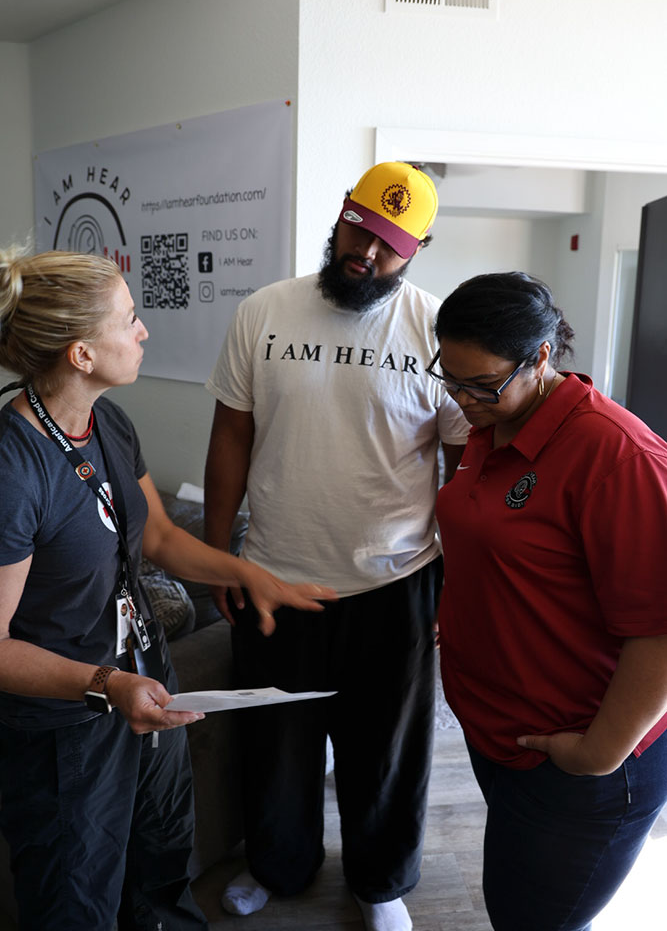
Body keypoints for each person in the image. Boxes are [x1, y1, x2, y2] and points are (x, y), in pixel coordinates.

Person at [0, 247, 336, 931]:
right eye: (129, 319)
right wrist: (107, 684)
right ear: (81, 354)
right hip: (68, 727)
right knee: (76, 904)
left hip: (150, 686)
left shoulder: (109, 423)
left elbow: (156, 534)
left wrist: (246, 573)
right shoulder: (13, 468)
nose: (143, 330)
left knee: (162, 873)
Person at [204, 161, 470, 931]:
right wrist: (219, 552)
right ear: (343, 213)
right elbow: (231, 436)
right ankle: (275, 866)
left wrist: (458, 584)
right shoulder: (264, 311)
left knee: (385, 749)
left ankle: (379, 882)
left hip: (396, 579)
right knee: (275, 742)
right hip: (275, 575)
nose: (366, 253)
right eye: (359, 229)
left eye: (389, 245)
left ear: (416, 248)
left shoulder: (437, 331)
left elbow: (462, 466)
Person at [431, 270, 667, 931]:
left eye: (481, 384)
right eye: (449, 378)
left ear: (540, 357)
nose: (462, 399)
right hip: (501, 734)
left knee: (530, 918)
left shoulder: (617, 456)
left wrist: (596, 754)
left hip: (581, 760)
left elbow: (659, 630)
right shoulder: (493, 422)